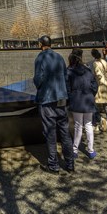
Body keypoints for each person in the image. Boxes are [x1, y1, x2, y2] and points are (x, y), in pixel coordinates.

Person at [33, 35, 74, 174]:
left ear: (41, 44)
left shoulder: (40, 58)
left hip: (47, 100)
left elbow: (38, 80)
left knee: (50, 133)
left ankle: (53, 165)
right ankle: (70, 164)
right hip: (61, 99)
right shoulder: (59, 57)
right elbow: (66, 77)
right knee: (65, 133)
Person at [67, 53, 98, 159]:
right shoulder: (88, 71)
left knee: (78, 126)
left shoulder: (70, 72)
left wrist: (71, 97)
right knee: (89, 125)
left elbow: (67, 88)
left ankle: (75, 150)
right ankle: (91, 150)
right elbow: (94, 85)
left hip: (76, 101)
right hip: (88, 100)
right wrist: (91, 95)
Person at [91, 49, 107, 128]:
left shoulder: (95, 63)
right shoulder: (104, 61)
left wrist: (97, 79)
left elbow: (98, 74)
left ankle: (98, 121)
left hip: (100, 84)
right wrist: (105, 77)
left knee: (96, 103)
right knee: (106, 103)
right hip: (106, 83)